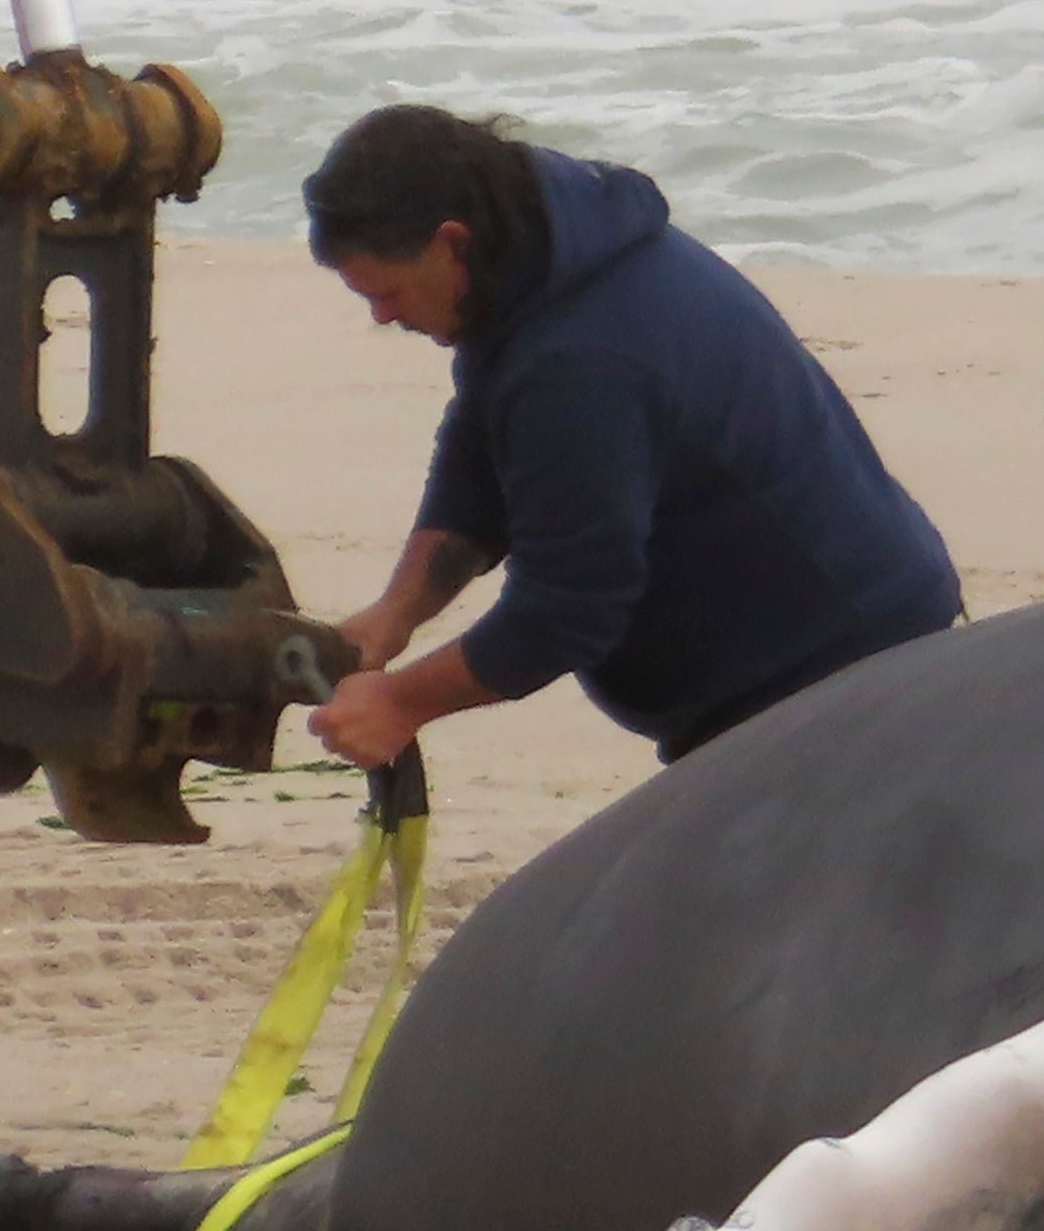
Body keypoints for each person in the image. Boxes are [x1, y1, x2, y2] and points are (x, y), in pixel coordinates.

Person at [294, 104, 964, 773]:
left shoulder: (579, 361)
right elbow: (481, 458)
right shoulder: (544, 251)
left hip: (841, 686)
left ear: (452, 241)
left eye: (390, 292)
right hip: (826, 651)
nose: (382, 317)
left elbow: (569, 607)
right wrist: (393, 616)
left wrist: (403, 704)